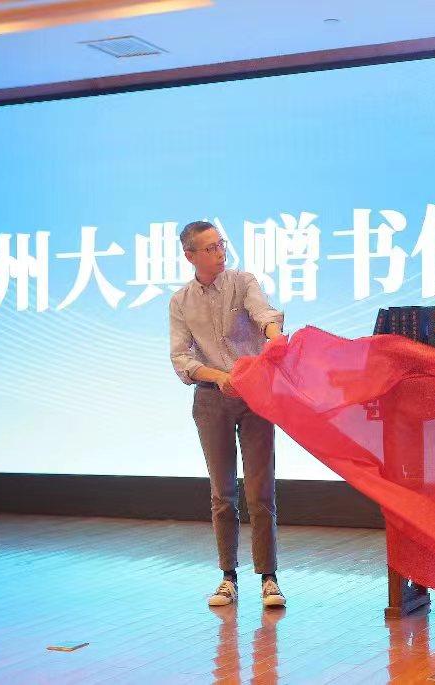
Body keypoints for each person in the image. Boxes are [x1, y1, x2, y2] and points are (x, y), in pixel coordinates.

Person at [169, 220, 287, 609]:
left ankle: (269, 579)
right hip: (211, 399)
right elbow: (181, 358)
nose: (220, 253)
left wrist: (275, 338)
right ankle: (227, 577)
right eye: (210, 248)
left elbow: (264, 314)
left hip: (254, 397)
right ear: (190, 255)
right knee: (223, 493)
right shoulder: (181, 301)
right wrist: (219, 377)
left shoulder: (243, 281)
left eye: (221, 245)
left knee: (260, 491)